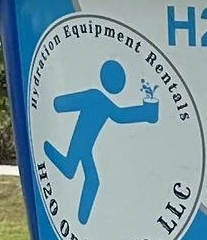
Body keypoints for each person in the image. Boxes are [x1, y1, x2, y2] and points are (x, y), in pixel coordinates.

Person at [41, 57, 160, 222]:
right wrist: (148, 111)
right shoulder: (96, 97)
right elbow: (120, 115)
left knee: (82, 174)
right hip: (81, 142)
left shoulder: (100, 100)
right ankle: (49, 150)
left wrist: (148, 111)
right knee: (80, 173)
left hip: (85, 145)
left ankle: (82, 219)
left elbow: (121, 116)